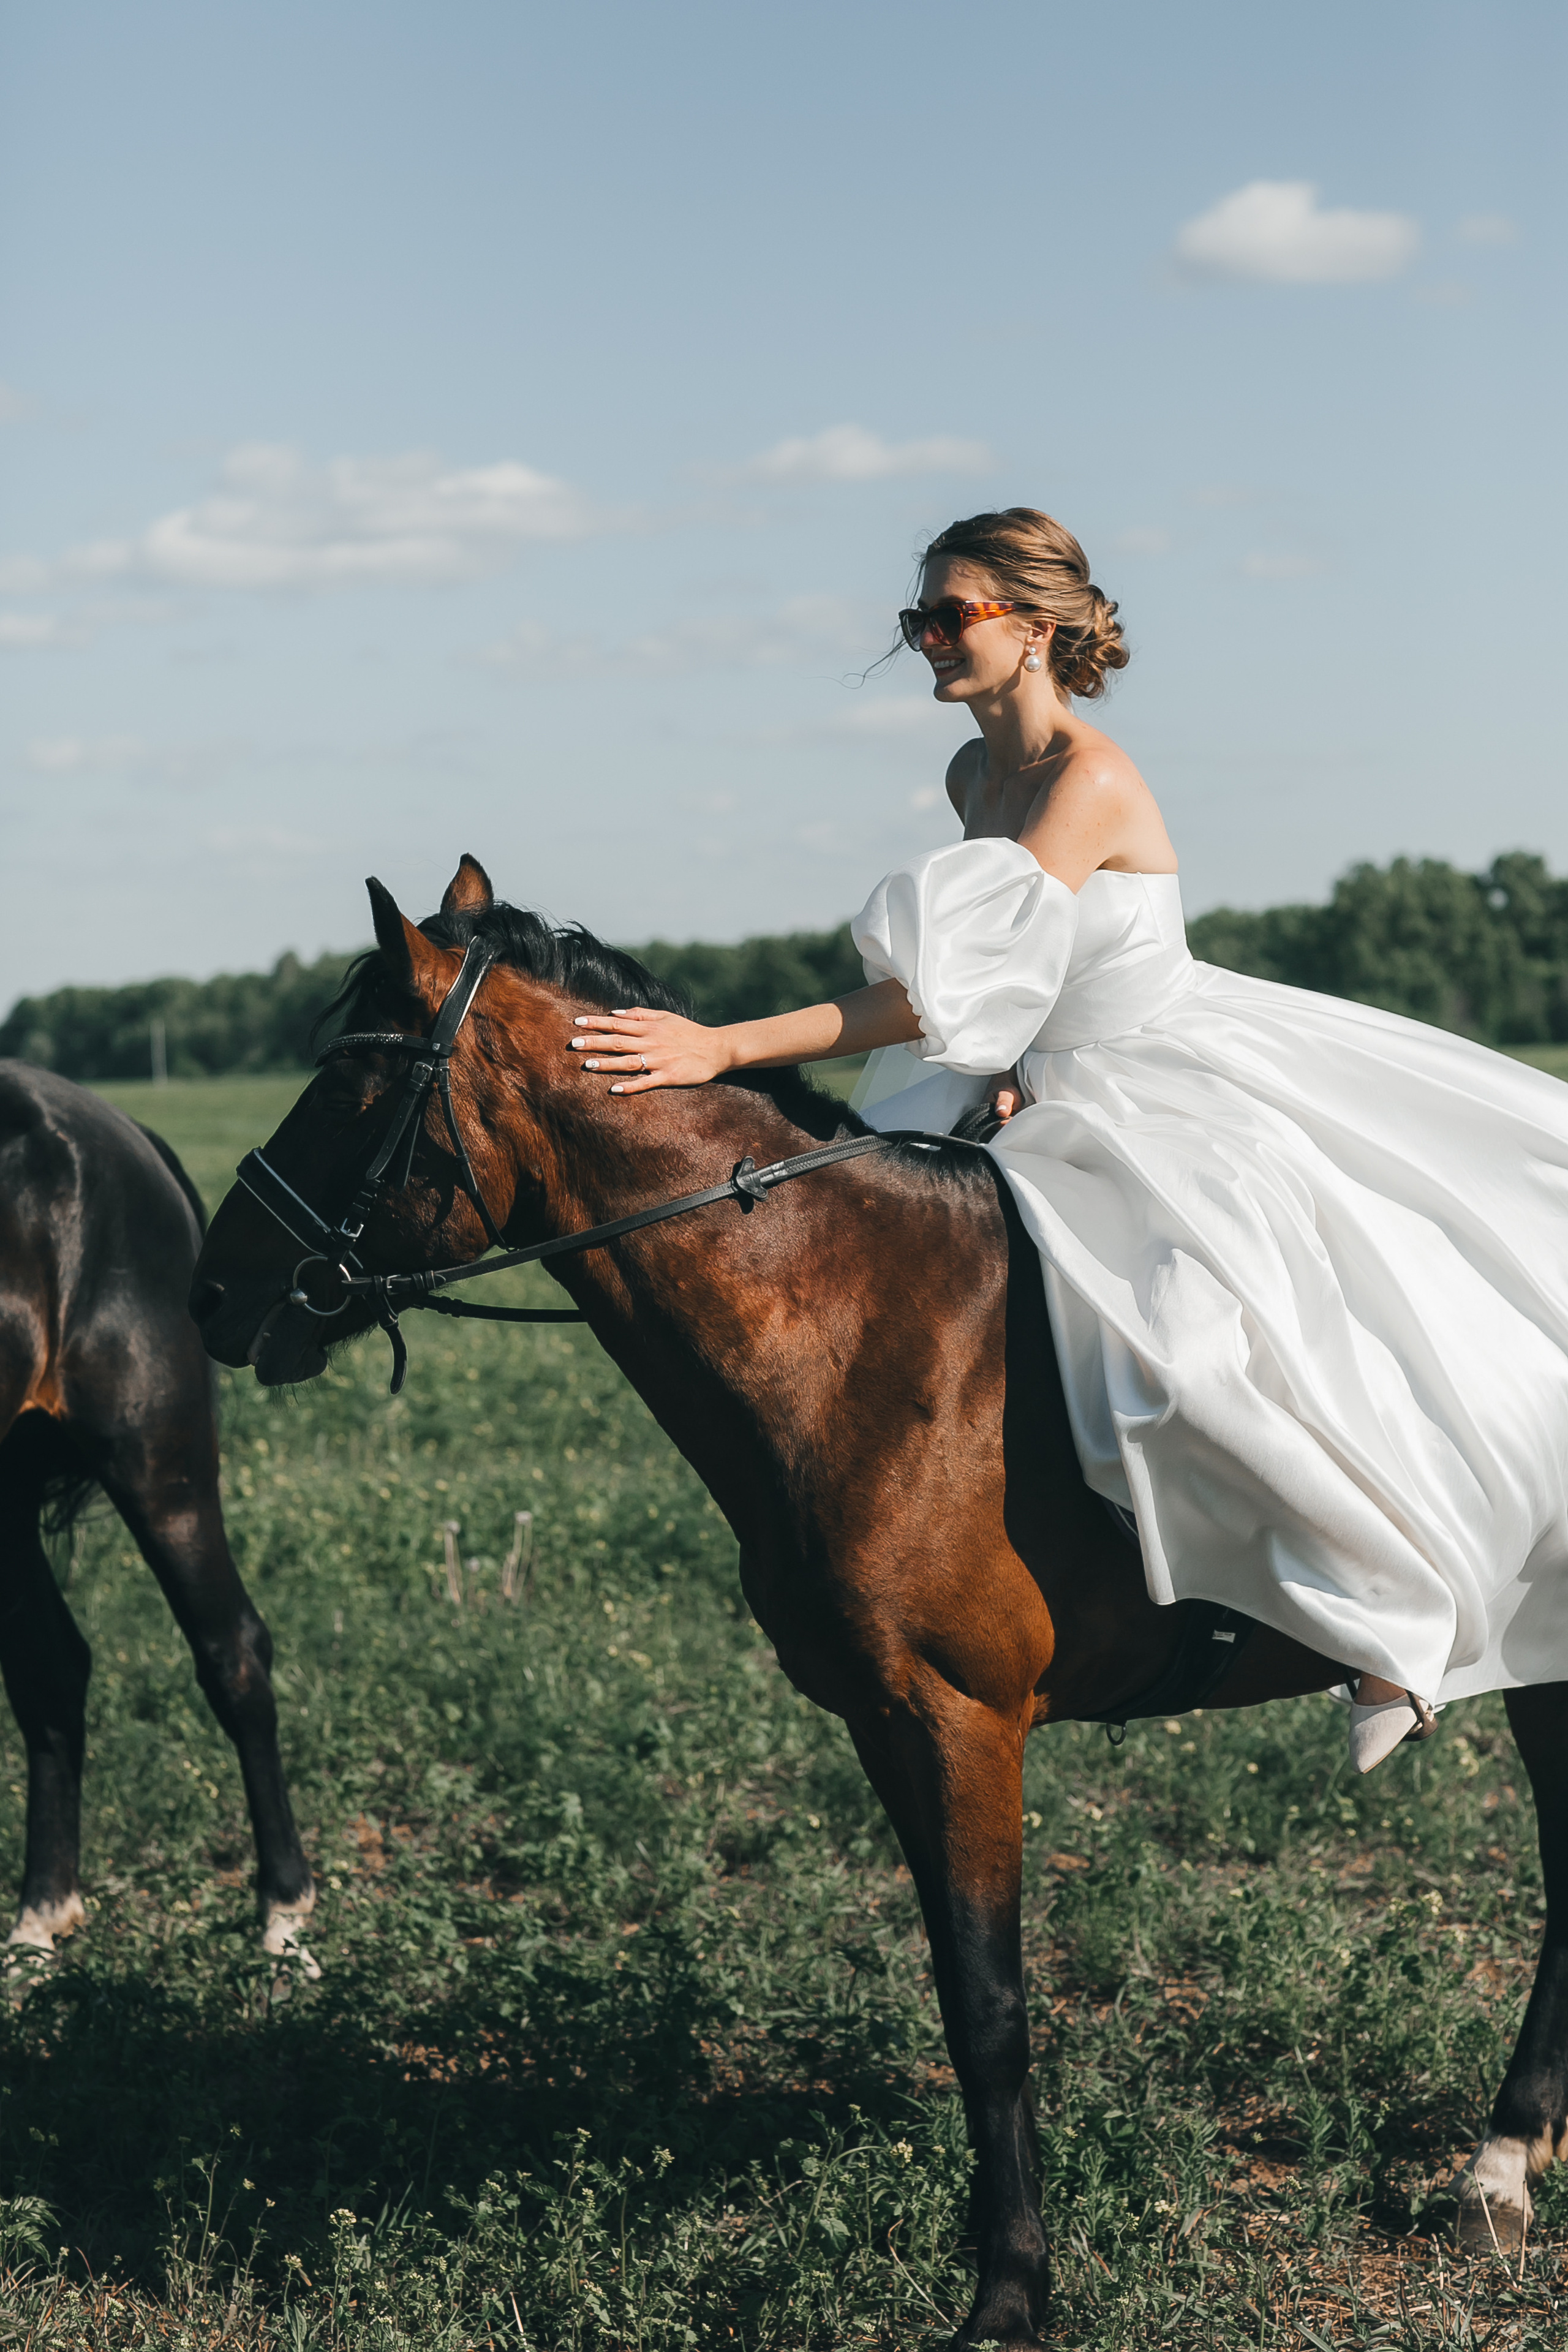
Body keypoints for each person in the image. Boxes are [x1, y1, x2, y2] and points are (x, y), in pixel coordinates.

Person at [568, 507, 1568, 1773]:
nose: (928, 639)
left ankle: (1387, 1611)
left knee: (1197, 1342)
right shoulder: (970, 776)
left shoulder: (1089, 780)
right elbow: (1001, 984)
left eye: (951, 615)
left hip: (1166, 1085)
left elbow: (928, 995)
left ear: (1035, 628)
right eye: (917, 619)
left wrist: (722, 1047)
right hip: (1043, 1092)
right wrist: (1000, 1076)